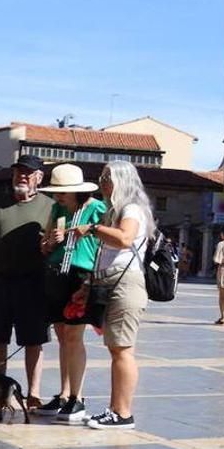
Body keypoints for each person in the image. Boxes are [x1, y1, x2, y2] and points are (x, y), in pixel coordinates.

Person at [0, 154, 54, 414]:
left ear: (39, 178)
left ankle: (34, 394)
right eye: (18, 172)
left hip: (33, 282)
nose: (22, 176)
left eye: (28, 173)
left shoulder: (49, 207)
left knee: (33, 340)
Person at [79, 161, 153, 430]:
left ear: (122, 180)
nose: (102, 181)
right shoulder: (115, 210)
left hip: (125, 285)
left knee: (123, 350)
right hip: (111, 282)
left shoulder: (131, 209)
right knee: (116, 348)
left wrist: (93, 228)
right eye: (101, 176)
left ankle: (122, 413)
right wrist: (87, 285)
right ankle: (115, 409)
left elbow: (124, 239)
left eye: (107, 177)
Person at [38, 163, 106, 423]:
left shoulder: (97, 209)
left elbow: (107, 243)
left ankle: (78, 397)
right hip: (57, 272)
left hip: (81, 275)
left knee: (74, 335)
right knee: (62, 336)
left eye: (62, 193)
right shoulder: (57, 209)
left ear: (76, 191)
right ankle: (65, 394)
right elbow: (44, 245)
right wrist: (49, 242)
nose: (58, 197)